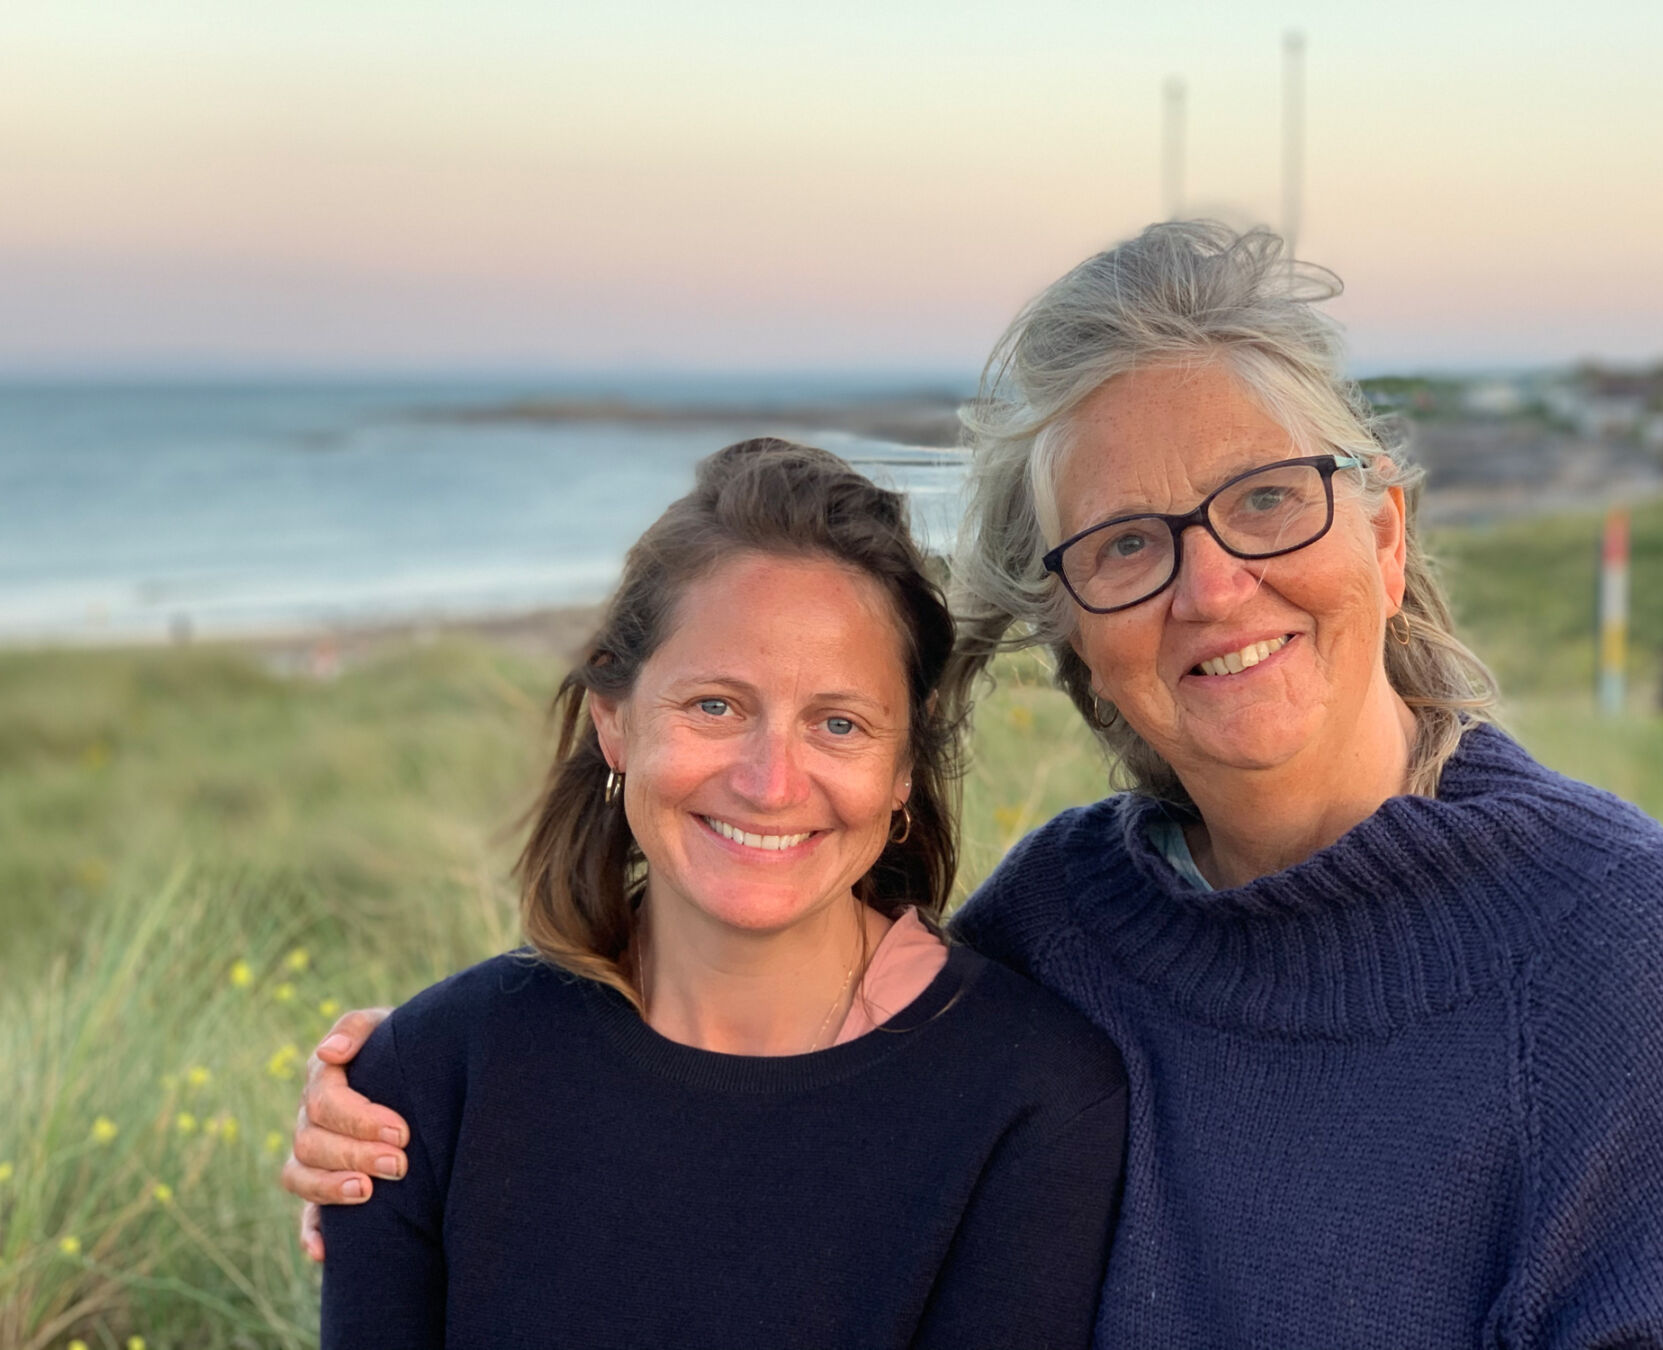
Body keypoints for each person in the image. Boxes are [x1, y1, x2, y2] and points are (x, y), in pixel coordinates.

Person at [291, 224, 1663, 1348]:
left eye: (1270, 495)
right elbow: (797, 1126)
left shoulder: (1635, 956)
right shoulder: (1061, 924)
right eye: (1126, 544)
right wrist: (414, 1114)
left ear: (1385, 534)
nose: (1214, 586)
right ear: (1073, 639)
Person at [316, 438, 1128, 1349]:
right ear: (614, 722)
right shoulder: (423, 1082)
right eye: (715, 706)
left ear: (905, 768)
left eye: (839, 722)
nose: (770, 782)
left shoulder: (1036, 1099)